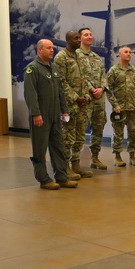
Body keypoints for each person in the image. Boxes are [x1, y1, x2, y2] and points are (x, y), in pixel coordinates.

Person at [24, 39, 78, 191]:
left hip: (55, 115)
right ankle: (44, 179)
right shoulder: (32, 69)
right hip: (41, 115)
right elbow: (30, 94)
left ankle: (61, 177)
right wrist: (35, 114)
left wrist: (65, 110)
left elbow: (60, 92)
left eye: (52, 48)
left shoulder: (54, 68)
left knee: (58, 147)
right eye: (48, 48)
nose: (52, 50)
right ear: (39, 50)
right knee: (39, 149)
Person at [55, 30, 91, 179]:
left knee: (80, 136)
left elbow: (86, 78)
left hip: (83, 105)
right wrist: (76, 98)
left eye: (79, 38)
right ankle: (65, 167)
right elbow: (61, 82)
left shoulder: (81, 57)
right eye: (76, 38)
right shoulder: (61, 58)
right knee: (67, 137)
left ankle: (76, 165)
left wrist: (87, 95)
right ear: (68, 40)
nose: (79, 40)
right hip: (69, 105)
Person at [105, 45, 135, 167]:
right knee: (118, 133)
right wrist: (115, 104)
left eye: (130, 52)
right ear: (120, 54)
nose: (129, 54)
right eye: (126, 52)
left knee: (133, 132)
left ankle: (132, 156)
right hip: (119, 109)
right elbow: (108, 89)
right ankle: (117, 157)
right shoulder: (114, 70)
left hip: (133, 108)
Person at [77, 27, 109, 170]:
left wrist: (102, 88)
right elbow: (79, 76)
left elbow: (104, 75)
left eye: (90, 34)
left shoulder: (96, 57)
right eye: (86, 35)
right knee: (80, 129)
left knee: (99, 128)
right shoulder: (76, 55)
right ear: (80, 38)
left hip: (99, 99)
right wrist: (91, 89)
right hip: (86, 98)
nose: (89, 37)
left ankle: (95, 158)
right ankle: (75, 162)